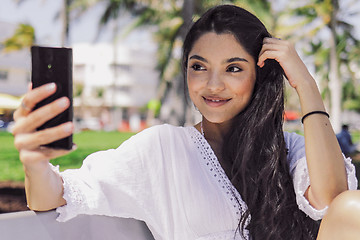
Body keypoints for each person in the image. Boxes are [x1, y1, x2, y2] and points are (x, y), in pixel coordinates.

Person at [11, 4, 360, 240]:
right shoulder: (162, 150)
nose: (212, 85)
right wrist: (33, 161)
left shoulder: (289, 150)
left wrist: (307, 87)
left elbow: (332, 201)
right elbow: (54, 197)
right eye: (199, 67)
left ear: (261, 74)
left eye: (234, 69)